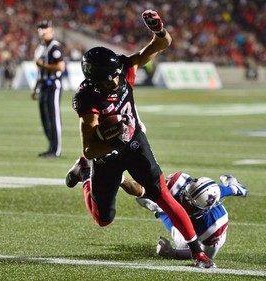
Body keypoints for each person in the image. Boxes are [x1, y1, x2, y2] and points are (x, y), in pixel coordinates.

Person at [68, 10, 211, 268]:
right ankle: (85, 176)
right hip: (106, 154)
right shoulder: (87, 99)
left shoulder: (122, 69)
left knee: (162, 195)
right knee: (104, 219)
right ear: (97, 79)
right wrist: (113, 140)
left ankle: (196, 250)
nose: (117, 79)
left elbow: (161, 45)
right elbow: (89, 149)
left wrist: (158, 30)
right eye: (110, 77)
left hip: (134, 142)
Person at [135, 173, 248, 268]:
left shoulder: (213, 225)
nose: (183, 205)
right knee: (143, 198)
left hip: (204, 232)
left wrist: (174, 253)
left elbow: (205, 254)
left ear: (203, 210)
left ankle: (159, 211)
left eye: (190, 206)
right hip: (203, 198)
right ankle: (159, 209)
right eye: (185, 198)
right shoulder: (179, 183)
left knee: (184, 244)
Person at [31, 20, 65, 158]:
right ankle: (51, 147)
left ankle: (56, 150)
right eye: (41, 27)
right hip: (43, 85)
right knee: (45, 118)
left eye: (45, 27)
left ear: (51, 30)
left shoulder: (54, 47)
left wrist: (43, 66)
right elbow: (39, 71)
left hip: (53, 85)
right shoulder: (41, 47)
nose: (43, 30)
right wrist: (35, 88)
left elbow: (60, 67)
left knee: (53, 117)